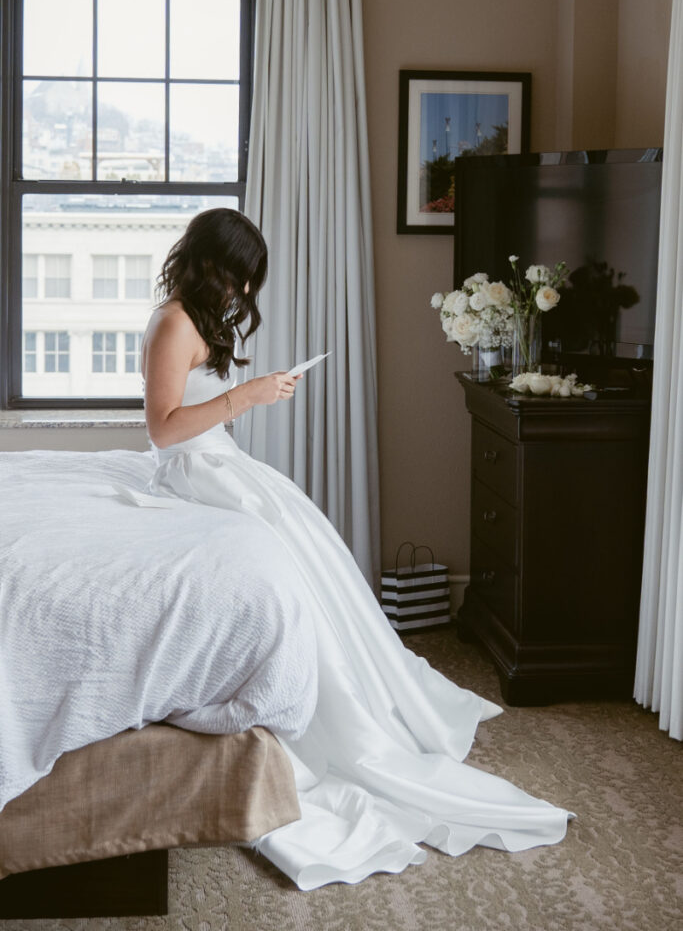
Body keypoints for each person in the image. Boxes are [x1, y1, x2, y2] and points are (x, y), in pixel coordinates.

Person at [140, 207, 572, 890]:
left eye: (249, 282)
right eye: (236, 277)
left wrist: (253, 394)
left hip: (221, 463)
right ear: (205, 263)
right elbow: (162, 430)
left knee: (312, 552)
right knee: (286, 556)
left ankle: (362, 691)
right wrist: (245, 397)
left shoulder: (198, 319)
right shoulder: (172, 321)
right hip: (197, 469)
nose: (242, 294)